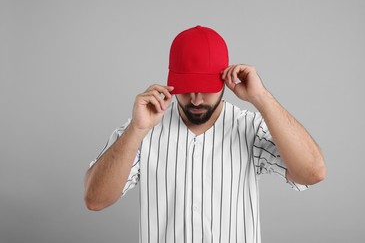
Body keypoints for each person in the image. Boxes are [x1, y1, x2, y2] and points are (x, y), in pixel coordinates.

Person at [84, 25, 326, 243]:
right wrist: (136, 130)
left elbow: (312, 173)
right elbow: (95, 199)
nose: (196, 99)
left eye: (206, 88)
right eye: (187, 88)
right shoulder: (143, 128)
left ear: (224, 81)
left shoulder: (249, 127)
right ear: (172, 82)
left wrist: (261, 98)